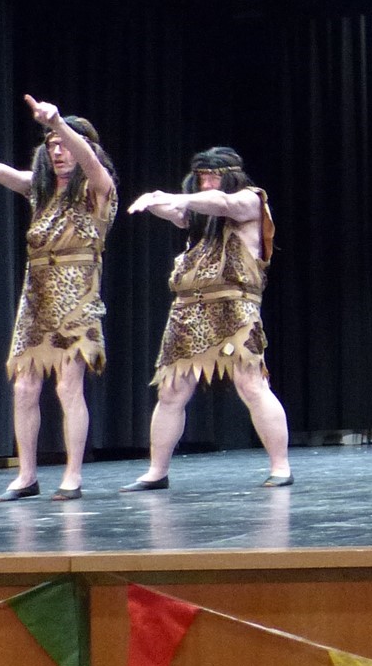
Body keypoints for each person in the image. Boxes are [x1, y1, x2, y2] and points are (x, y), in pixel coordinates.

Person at [0, 95, 115, 502]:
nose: (58, 152)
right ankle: (26, 476)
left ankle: (72, 476)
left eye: (64, 145)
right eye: (52, 146)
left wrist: (59, 124)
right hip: (36, 298)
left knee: (68, 387)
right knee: (24, 387)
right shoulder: (40, 191)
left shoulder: (98, 191)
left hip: (77, 296)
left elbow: (92, 164)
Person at [121, 147, 294, 490]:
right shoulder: (201, 215)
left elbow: (223, 203)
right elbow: (175, 212)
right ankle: (157, 471)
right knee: (171, 391)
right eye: (201, 178)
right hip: (188, 310)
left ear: (231, 176)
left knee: (251, 385)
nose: (206, 184)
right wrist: (154, 201)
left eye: (213, 177)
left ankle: (281, 467)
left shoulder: (250, 199)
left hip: (233, 306)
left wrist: (177, 197)